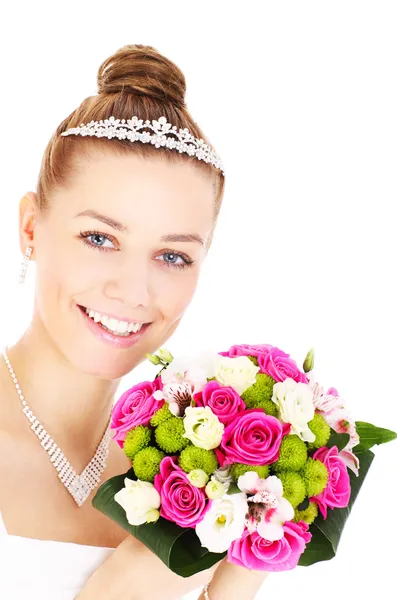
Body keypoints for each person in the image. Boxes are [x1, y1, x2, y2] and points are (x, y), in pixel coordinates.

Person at [0, 44, 268, 599]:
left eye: (172, 256)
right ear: (30, 228)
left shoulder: (193, 483)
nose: (133, 291)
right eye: (100, 239)